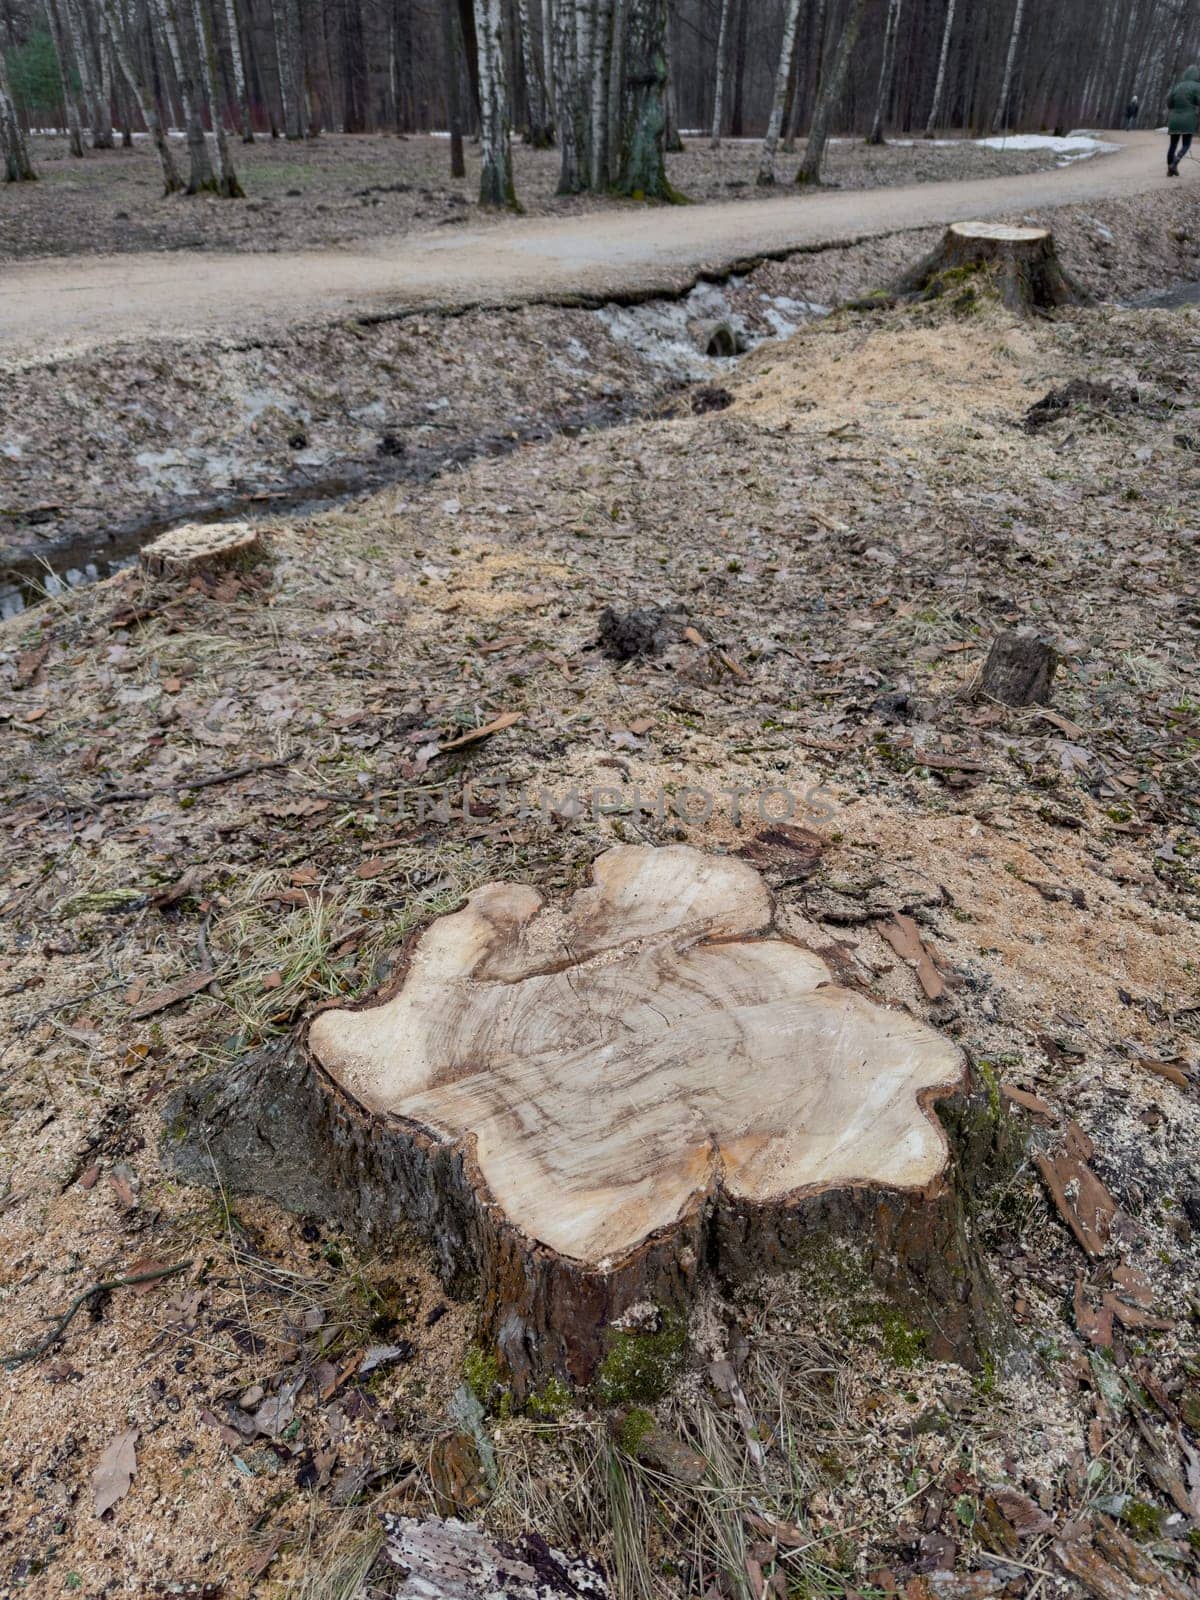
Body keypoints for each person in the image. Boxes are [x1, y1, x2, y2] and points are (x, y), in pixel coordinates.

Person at [1167, 66, 1200, 176]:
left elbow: (1169, 103)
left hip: (1174, 119)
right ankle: (1175, 163)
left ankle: (1170, 168)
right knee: (1186, 144)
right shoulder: (1197, 86)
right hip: (1189, 119)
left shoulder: (1178, 86)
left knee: (1172, 145)